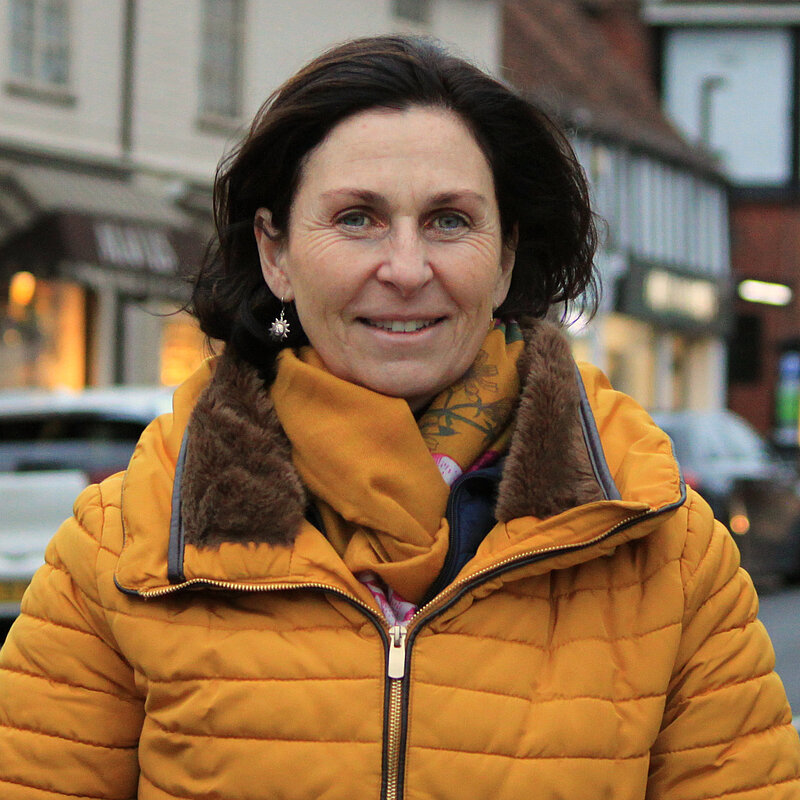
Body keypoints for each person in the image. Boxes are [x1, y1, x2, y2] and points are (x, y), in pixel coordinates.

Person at [1, 34, 799, 800]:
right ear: (275, 253)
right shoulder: (123, 544)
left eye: (449, 220)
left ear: (506, 255)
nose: (408, 268)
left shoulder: (667, 553)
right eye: (358, 218)